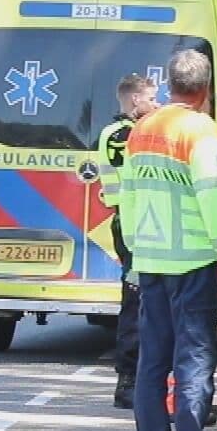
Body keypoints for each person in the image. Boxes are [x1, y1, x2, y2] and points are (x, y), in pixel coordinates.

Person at [122, 49, 217, 431]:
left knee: (152, 361)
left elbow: (128, 195)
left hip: (150, 260)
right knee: (192, 359)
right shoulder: (200, 130)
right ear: (206, 88)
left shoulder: (142, 129)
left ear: (170, 84)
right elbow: (210, 196)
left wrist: (135, 251)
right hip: (193, 260)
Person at [95, 72, 158, 411]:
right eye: (152, 97)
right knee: (134, 304)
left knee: (146, 303)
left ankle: (142, 379)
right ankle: (128, 381)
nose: (157, 104)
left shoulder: (131, 130)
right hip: (132, 227)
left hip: (141, 224)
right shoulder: (122, 134)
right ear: (135, 99)